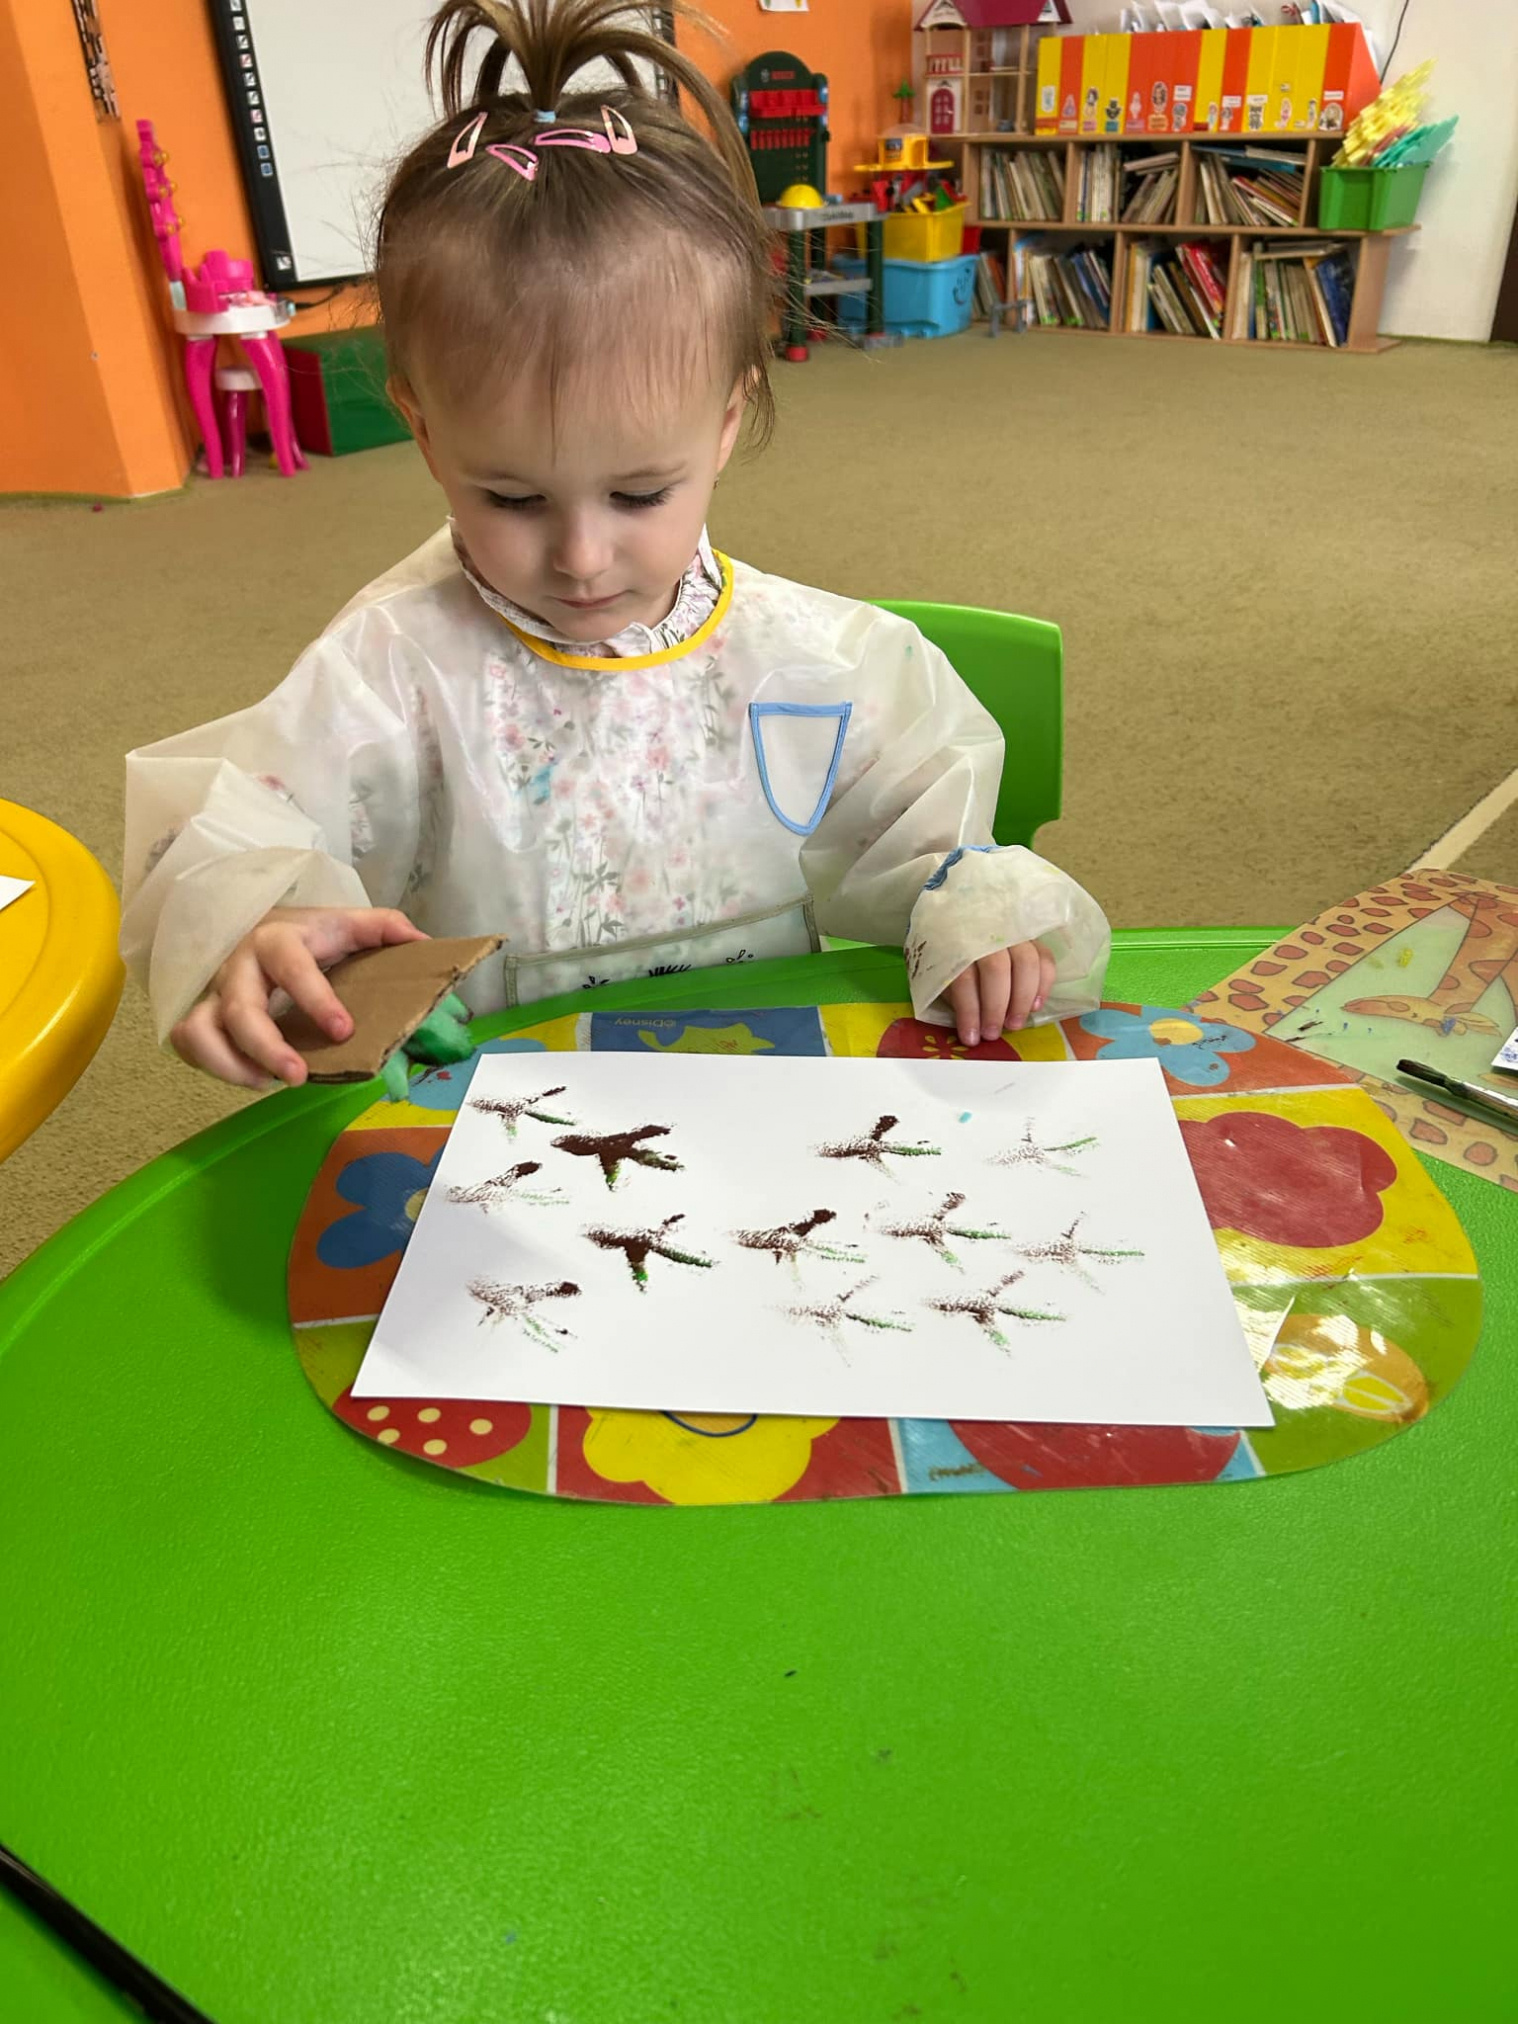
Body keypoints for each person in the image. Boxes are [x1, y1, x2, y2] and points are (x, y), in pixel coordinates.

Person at [121, 0, 1109, 1092]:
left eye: (639, 492)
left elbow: (931, 837)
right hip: (496, 1120)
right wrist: (264, 922)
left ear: (727, 421)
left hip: (766, 1098)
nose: (582, 557)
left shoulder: (815, 662)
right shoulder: (388, 670)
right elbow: (237, 838)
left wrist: (978, 912)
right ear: (424, 429)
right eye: (512, 496)